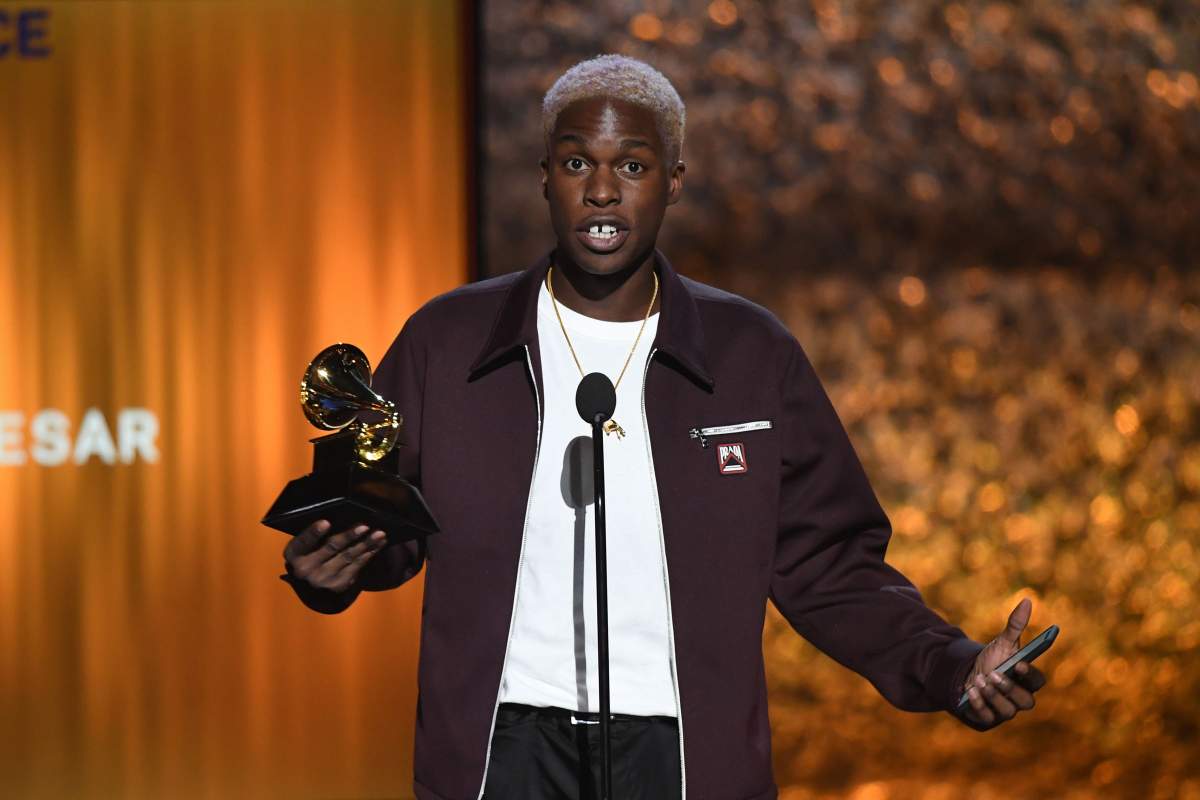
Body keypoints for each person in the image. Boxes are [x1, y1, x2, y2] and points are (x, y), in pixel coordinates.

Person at [280, 55, 1047, 800]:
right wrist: (329, 572)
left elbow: (830, 566)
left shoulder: (751, 354)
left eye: (634, 167)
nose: (603, 192)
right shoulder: (448, 342)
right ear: (544, 176)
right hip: (501, 754)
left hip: (681, 755)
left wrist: (952, 666)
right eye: (578, 165)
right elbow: (382, 522)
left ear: (673, 182)